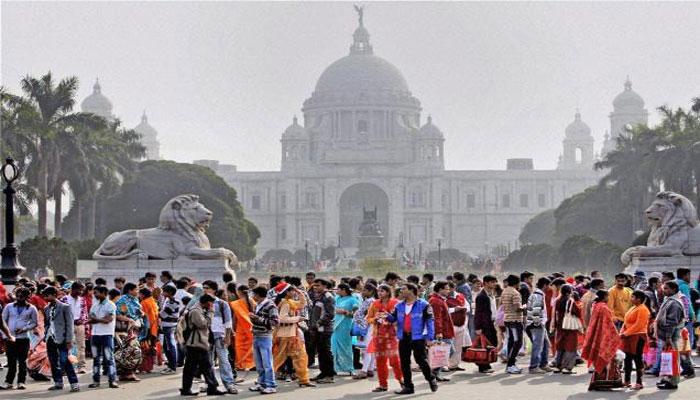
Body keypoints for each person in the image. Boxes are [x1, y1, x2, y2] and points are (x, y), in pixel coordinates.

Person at [386, 283, 437, 395]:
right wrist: (386, 316)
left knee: (421, 360)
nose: (401, 291)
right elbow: (392, 318)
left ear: (411, 290)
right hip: (403, 336)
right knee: (404, 362)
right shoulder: (399, 306)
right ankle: (408, 387)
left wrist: (430, 337)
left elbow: (430, 321)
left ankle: (431, 378)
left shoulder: (424, 305)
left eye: (403, 289)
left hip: (418, 337)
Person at [179, 293, 226, 396]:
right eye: (211, 303)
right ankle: (210, 387)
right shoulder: (196, 311)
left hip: (197, 342)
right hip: (196, 343)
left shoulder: (197, 309)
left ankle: (189, 388)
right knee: (201, 366)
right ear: (207, 302)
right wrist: (211, 312)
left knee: (199, 366)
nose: (212, 305)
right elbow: (203, 324)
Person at [272, 282, 315, 387]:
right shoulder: (285, 303)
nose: (293, 292)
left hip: (291, 334)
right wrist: (298, 319)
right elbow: (282, 318)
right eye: (291, 290)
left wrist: (299, 292)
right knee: (279, 358)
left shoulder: (288, 301)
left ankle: (304, 380)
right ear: (286, 292)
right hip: (285, 335)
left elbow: (302, 304)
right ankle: (264, 378)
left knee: (300, 357)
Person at [582, 290, 623, 391]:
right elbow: (608, 324)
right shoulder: (604, 307)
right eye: (607, 296)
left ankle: (597, 382)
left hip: (598, 336)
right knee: (607, 358)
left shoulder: (596, 306)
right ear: (605, 296)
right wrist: (616, 335)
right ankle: (605, 383)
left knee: (600, 359)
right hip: (605, 337)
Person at [42, 286, 80, 392]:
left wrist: (69, 340)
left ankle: (74, 383)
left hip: (62, 338)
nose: (45, 297)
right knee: (53, 361)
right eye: (44, 295)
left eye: (47, 295)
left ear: (54, 295)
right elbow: (47, 323)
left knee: (65, 361)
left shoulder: (65, 307)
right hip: (50, 338)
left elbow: (69, 325)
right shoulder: (46, 308)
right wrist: (46, 334)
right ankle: (58, 383)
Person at [366, 284, 403, 392]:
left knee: (394, 361)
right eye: (378, 291)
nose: (379, 293)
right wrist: (374, 320)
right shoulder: (375, 303)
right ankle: (383, 385)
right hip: (378, 337)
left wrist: (390, 318)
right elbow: (368, 318)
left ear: (387, 292)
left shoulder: (395, 303)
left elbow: (401, 319)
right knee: (380, 361)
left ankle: (402, 381)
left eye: (382, 291)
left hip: (392, 336)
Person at [202, 281, 237, 394]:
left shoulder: (222, 304)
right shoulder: (201, 303)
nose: (205, 290)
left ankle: (229, 384)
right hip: (206, 336)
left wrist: (228, 336)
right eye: (204, 288)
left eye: (207, 288)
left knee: (224, 360)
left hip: (219, 335)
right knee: (208, 362)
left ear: (214, 290)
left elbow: (228, 322)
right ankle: (210, 384)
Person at [1, 286, 37, 390]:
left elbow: (34, 323)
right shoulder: (9, 307)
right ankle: (9, 382)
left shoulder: (31, 308)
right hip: (10, 338)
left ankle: (21, 382)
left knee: (22, 361)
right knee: (11, 361)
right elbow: (2, 321)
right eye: (18, 296)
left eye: (22, 296)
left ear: (27, 297)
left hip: (23, 338)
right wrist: (5, 336)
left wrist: (25, 328)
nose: (19, 298)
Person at [249, 286, 279, 394]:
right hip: (256, 335)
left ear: (258, 295)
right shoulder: (258, 305)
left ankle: (271, 385)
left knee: (267, 363)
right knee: (259, 363)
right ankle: (262, 383)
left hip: (265, 336)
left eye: (254, 294)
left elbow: (275, 322)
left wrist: (258, 319)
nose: (253, 296)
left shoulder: (271, 306)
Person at [655, 281, 685, 390]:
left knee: (673, 359)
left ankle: (673, 383)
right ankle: (667, 379)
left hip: (671, 337)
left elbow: (671, 323)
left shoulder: (675, 304)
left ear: (673, 289)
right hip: (667, 336)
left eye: (666, 288)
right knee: (667, 358)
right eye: (664, 288)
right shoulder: (669, 300)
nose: (664, 290)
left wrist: (668, 338)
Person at [88, 285, 118, 388]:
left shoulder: (111, 305)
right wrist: (100, 319)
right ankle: (96, 381)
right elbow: (90, 318)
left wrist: (96, 319)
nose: (95, 295)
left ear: (104, 293)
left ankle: (112, 380)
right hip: (95, 334)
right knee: (96, 359)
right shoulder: (95, 305)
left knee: (109, 358)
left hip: (106, 334)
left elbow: (108, 320)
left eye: (97, 293)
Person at [620, 290, 650, 390]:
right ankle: (627, 381)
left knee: (637, 359)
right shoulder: (634, 307)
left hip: (638, 336)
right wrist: (622, 332)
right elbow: (626, 322)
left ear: (639, 299)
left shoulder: (643, 309)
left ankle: (639, 382)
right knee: (627, 359)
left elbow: (639, 325)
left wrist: (626, 333)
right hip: (629, 337)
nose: (631, 298)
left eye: (633, 297)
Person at [115, 283, 144, 382]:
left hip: (135, 328)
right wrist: (129, 319)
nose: (138, 291)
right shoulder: (123, 300)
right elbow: (118, 315)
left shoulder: (135, 300)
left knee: (131, 351)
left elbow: (137, 311)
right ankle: (128, 373)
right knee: (130, 351)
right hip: (126, 330)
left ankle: (127, 374)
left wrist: (141, 313)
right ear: (130, 290)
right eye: (136, 290)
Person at [308, 278, 336, 383]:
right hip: (317, 329)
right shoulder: (318, 296)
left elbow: (330, 314)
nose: (315, 287)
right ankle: (323, 373)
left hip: (325, 329)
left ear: (325, 286)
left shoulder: (328, 297)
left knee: (326, 352)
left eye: (318, 285)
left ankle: (329, 375)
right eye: (314, 285)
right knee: (320, 352)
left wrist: (318, 323)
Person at [332, 283, 360, 376]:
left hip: (345, 325)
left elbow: (356, 314)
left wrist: (344, 312)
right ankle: (336, 367)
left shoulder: (352, 300)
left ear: (343, 290)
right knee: (334, 347)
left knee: (345, 346)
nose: (336, 291)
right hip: (335, 325)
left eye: (338, 289)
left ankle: (348, 368)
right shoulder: (337, 299)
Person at [428, 281, 454, 381]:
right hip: (442, 332)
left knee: (443, 352)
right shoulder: (435, 301)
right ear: (440, 289)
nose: (448, 291)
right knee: (446, 351)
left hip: (445, 330)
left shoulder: (440, 300)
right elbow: (436, 318)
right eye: (446, 289)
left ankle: (435, 373)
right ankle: (434, 373)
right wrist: (439, 332)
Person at [553, 284, 581, 374]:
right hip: (570, 327)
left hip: (560, 327)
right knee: (570, 347)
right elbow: (578, 313)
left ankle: (558, 366)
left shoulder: (557, 301)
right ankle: (567, 367)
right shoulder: (570, 302)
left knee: (560, 346)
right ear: (570, 292)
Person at [526, 277, 552, 373]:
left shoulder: (537, 294)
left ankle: (543, 364)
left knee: (545, 344)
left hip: (538, 323)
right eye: (548, 285)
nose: (549, 287)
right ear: (545, 285)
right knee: (538, 346)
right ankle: (533, 366)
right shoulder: (538, 295)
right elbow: (536, 311)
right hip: (537, 324)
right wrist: (538, 323)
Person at [473, 275, 498, 373]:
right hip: (484, 324)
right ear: (486, 283)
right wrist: (478, 327)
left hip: (491, 322)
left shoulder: (491, 294)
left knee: (490, 343)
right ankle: (482, 366)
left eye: (495, 282)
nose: (494, 284)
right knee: (484, 345)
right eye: (492, 282)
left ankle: (486, 363)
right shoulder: (481, 296)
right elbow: (478, 313)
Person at [352, 283, 377, 379]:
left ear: (370, 291)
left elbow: (364, 316)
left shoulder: (369, 301)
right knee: (371, 349)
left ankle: (364, 371)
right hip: (369, 326)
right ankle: (370, 369)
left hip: (366, 327)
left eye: (365, 290)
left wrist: (362, 328)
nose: (363, 292)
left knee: (366, 349)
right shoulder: (370, 301)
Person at [501, 274, 525, 374]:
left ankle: (510, 365)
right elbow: (517, 308)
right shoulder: (515, 293)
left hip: (507, 319)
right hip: (515, 320)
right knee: (518, 342)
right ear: (517, 283)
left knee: (511, 341)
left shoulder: (505, 291)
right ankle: (510, 364)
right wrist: (524, 307)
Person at [64, 281, 88, 374]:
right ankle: (67, 367)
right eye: (80, 290)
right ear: (74, 289)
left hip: (79, 325)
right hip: (68, 326)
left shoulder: (82, 300)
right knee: (68, 347)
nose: (81, 292)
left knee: (81, 346)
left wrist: (83, 322)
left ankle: (81, 366)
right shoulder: (64, 299)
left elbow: (85, 313)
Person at [230, 285, 255, 371]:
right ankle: (251, 364)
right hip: (250, 326)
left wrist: (232, 327)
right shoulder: (252, 301)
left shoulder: (236, 303)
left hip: (240, 327)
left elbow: (235, 317)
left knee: (239, 346)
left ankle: (242, 364)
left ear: (239, 292)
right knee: (250, 346)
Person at [446, 281, 469, 371]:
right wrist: (454, 309)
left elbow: (467, 306)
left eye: (449, 289)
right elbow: (443, 310)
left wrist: (464, 308)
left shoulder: (460, 296)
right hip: (450, 324)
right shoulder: (444, 298)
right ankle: (445, 364)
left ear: (453, 288)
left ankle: (455, 364)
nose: (447, 291)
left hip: (461, 324)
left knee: (458, 346)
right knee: (449, 346)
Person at [159, 285, 180, 374]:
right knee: (165, 346)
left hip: (170, 325)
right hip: (166, 325)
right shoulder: (168, 300)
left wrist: (157, 312)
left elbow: (163, 314)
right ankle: (170, 365)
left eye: (164, 291)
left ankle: (173, 367)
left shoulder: (173, 302)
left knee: (171, 345)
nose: (163, 293)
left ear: (170, 292)